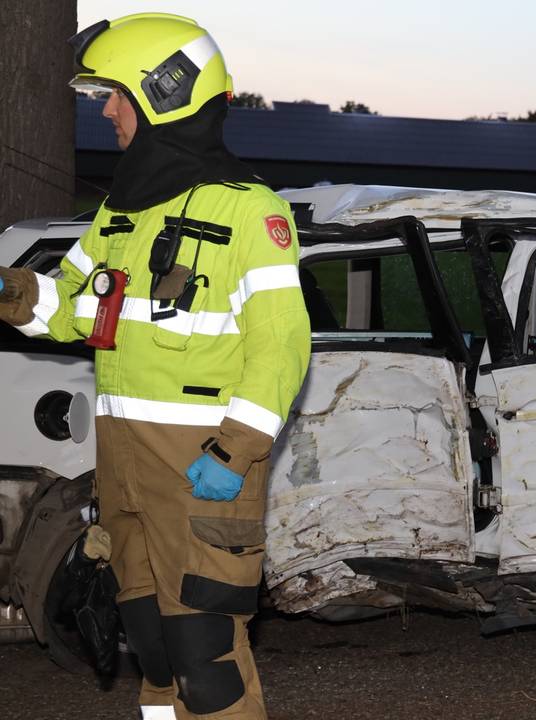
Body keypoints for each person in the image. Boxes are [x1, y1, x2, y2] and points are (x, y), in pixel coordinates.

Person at [0, 13, 310, 720]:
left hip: (202, 469)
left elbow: (281, 348)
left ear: (164, 94)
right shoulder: (122, 214)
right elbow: (71, 310)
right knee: (155, 652)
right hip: (123, 469)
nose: (106, 110)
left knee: (208, 661)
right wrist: (8, 289)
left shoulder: (250, 214)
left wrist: (233, 452)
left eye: (115, 95)